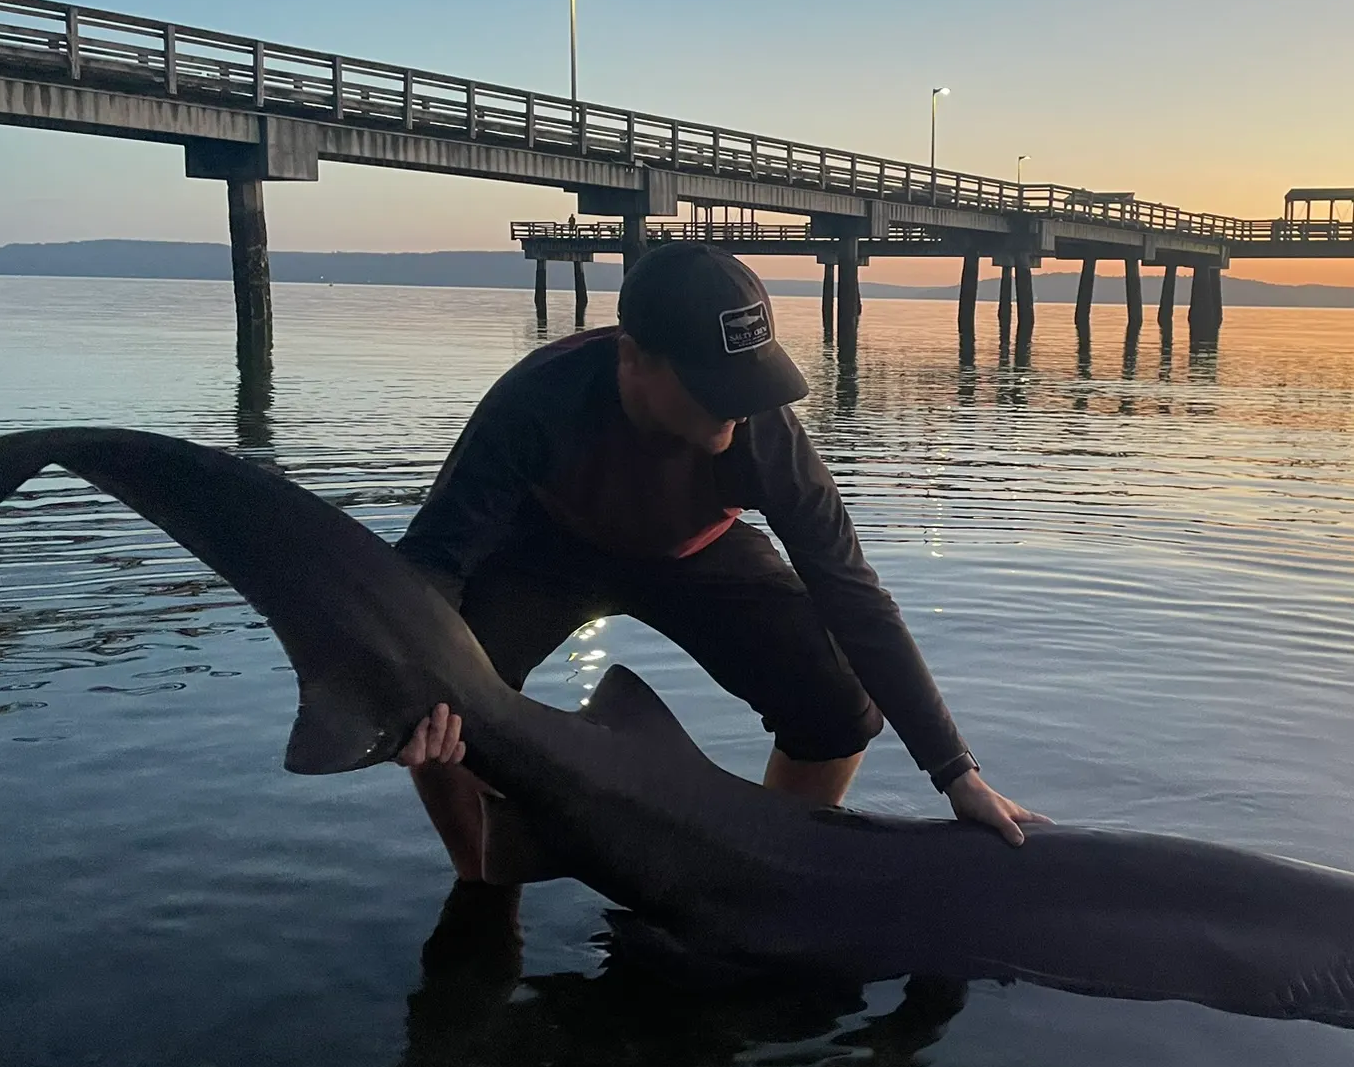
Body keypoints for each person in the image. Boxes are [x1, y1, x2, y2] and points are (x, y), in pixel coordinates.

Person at [394, 243, 1047, 881]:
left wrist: (956, 773)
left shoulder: (765, 431)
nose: (739, 405)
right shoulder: (537, 401)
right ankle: (483, 882)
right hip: (549, 550)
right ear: (635, 360)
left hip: (697, 549)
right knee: (436, 688)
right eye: (715, 386)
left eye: (752, 381)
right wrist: (416, 683)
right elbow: (429, 564)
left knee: (840, 707)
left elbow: (854, 596)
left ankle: (769, 873)